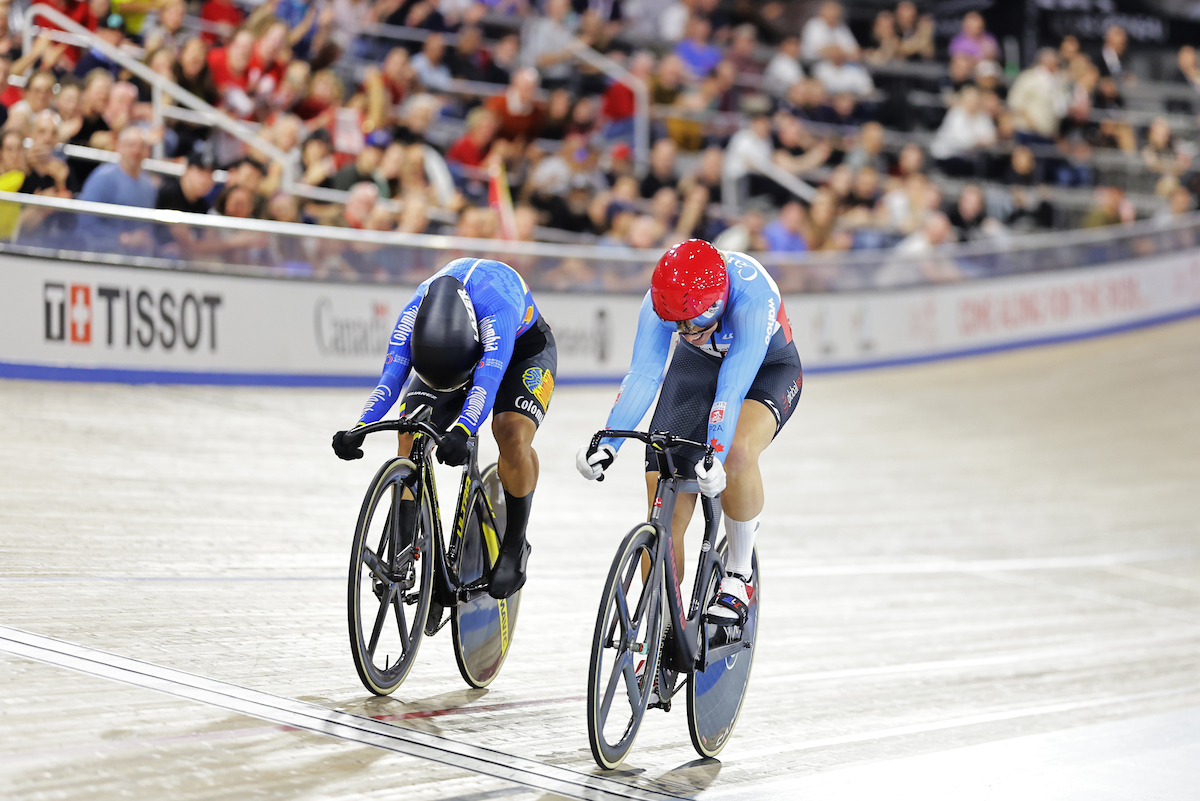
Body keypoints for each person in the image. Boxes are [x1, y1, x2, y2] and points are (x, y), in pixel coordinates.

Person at [576, 239, 803, 626]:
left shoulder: (752, 295)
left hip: (766, 370)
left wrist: (715, 449)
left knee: (737, 453)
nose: (684, 329)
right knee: (662, 497)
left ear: (717, 302)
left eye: (692, 320)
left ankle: (738, 574)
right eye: (675, 323)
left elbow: (732, 387)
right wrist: (610, 442)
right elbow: (644, 375)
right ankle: (660, 628)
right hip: (696, 368)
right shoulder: (662, 297)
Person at [332, 259, 558, 600]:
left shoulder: (498, 311)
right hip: (448, 354)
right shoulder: (413, 314)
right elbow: (390, 380)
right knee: (410, 428)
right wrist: (361, 426)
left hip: (523, 351)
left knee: (509, 430)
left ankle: (514, 545)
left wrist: (463, 430)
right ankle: (404, 540)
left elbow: (487, 382)